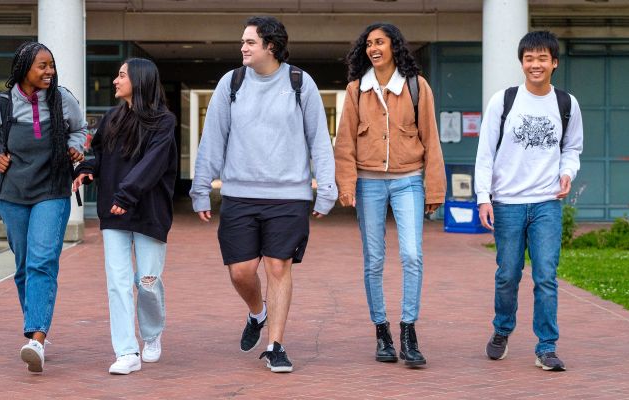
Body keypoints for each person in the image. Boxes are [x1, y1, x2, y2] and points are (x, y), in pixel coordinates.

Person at [189, 15, 337, 373]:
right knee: (240, 271)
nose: (242, 47)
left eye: (250, 42)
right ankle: (258, 312)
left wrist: (326, 188)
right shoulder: (232, 82)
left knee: (278, 266)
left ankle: (276, 345)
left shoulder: (300, 83)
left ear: (270, 46)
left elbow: (319, 139)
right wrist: (200, 187)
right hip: (240, 193)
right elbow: (213, 138)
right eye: (243, 42)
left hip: (289, 195)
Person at [0, 41, 87, 373]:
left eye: (52, 65)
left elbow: (80, 129)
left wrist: (74, 147)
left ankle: (37, 340)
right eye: (42, 66)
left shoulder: (62, 99)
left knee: (42, 262)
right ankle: (36, 325)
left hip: (52, 190)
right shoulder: (0, 104)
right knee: (24, 266)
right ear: (24, 68)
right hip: (12, 194)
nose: (49, 72)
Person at [334, 23, 445, 367]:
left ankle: (409, 331)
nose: (373, 48)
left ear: (394, 46)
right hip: (368, 183)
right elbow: (345, 142)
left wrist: (435, 187)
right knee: (374, 260)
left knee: (412, 255)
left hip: (408, 180)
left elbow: (431, 138)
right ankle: (382, 331)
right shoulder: (356, 90)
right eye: (368, 43)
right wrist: (346, 184)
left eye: (379, 42)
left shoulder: (416, 86)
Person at [475, 30, 583, 372]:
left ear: (554, 63)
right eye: (529, 58)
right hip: (507, 202)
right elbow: (485, 154)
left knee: (546, 276)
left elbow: (572, 148)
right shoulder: (503, 101)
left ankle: (546, 346)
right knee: (507, 274)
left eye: (542, 58)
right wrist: (483, 197)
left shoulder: (566, 103)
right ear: (522, 62)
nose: (535, 64)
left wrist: (568, 173)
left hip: (547, 203)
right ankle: (502, 330)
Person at [73, 58, 177, 375]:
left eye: (121, 75)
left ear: (140, 80)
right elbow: (98, 154)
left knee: (146, 282)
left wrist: (126, 194)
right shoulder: (111, 118)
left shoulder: (164, 122)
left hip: (148, 211)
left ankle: (151, 335)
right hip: (114, 212)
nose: (116, 81)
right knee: (117, 283)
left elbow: (153, 164)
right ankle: (126, 351)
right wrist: (88, 169)